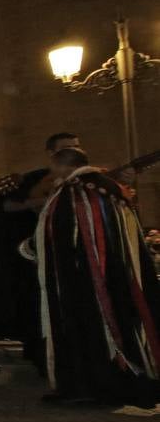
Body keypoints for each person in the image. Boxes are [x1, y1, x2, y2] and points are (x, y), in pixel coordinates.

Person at [30, 146, 160, 406]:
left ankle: (93, 387)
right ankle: (125, 383)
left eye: (53, 167)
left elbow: (62, 237)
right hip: (117, 277)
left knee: (94, 331)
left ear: (64, 166)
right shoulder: (109, 188)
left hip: (86, 283)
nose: (51, 173)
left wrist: (31, 249)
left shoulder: (74, 191)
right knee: (120, 324)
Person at [0, 131, 81, 375]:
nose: (73, 151)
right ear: (51, 154)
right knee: (37, 309)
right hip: (36, 258)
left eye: (76, 147)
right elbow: (6, 206)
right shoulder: (33, 179)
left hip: (73, 258)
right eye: (66, 148)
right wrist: (40, 203)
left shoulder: (86, 180)